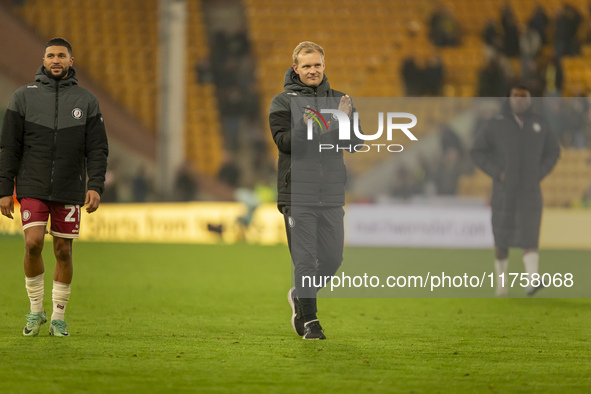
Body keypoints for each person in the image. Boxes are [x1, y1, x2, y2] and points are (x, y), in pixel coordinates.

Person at [0, 38, 108, 336]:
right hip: (32, 185)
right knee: (33, 242)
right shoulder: (23, 97)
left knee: (63, 251)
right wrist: (4, 189)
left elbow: (97, 149)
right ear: (43, 60)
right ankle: (36, 312)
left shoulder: (87, 101)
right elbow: (8, 147)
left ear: (71, 61)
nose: (55, 60)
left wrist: (95, 185)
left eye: (61, 55)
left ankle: (59, 317)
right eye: (50, 55)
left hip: (69, 187)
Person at [269, 41, 362, 340]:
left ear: (324, 66)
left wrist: (345, 119)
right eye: (306, 66)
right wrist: (308, 124)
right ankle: (310, 322)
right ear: (295, 69)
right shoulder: (281, 102)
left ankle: (299, 294)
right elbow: (284, 144)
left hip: (331, 194)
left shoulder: (340, 100)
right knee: (306, 260)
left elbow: (355, 144)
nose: (312, 70)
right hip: (298, 194)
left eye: (317, 65)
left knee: (333, 259)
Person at [471, 85, 560, 297]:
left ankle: (532, 281)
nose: (519, 100)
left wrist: (540, 172)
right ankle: (501, 285)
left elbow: (554, 152)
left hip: (530, 191)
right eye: (515, 96)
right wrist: (497, 173)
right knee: (501, 239)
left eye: (524, 96)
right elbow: (477, 152)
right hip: (504, 192)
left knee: (530, 236)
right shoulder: (495, 125)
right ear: (509, 98)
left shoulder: (540, 124)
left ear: (530, 100)